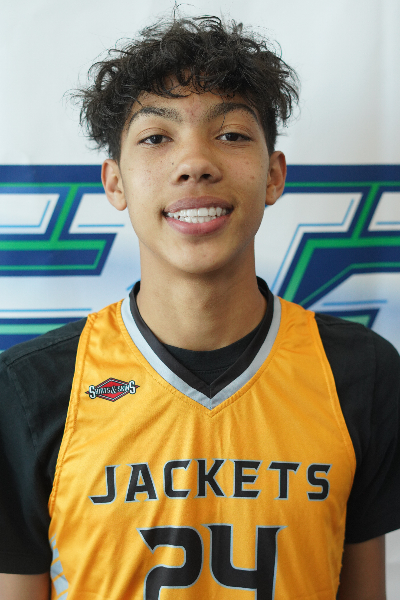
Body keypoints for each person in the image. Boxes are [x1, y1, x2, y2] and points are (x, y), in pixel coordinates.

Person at [0, 15, 399, 600]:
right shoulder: (29, 388)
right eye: (156, 138)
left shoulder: (360, 371)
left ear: (274, 176)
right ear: (115, 183)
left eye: (231, 134)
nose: (195, 162)